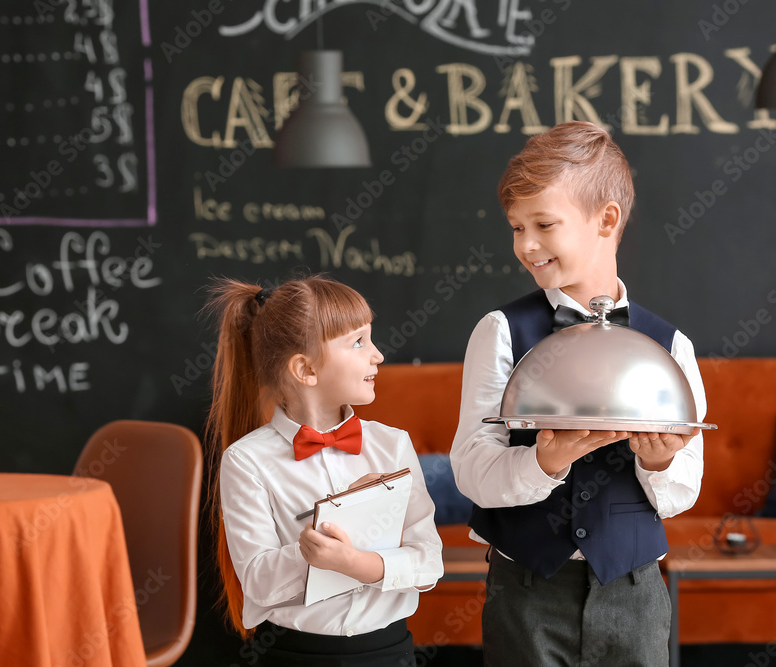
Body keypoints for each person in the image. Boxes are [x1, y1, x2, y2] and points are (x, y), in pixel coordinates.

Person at [450, 121, 706, 666]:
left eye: (544, 224)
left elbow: (684, 491)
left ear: (606, 219)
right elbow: (471, 467)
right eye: (517, 227)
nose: (526, 245)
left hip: (635, 594)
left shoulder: (669, 347)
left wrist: (659, 466)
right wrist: (541, 463)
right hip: (524, 592)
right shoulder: (500, 331)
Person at [205, 275, 443, 667]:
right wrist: (312, 546)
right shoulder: (245, 460)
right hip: (293, 654)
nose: (378, 355)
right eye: (358, 342)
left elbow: (429, 563)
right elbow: (259, 582)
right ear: (305, 369)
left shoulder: (392, 444)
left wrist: (354, 562)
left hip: (388, 653)